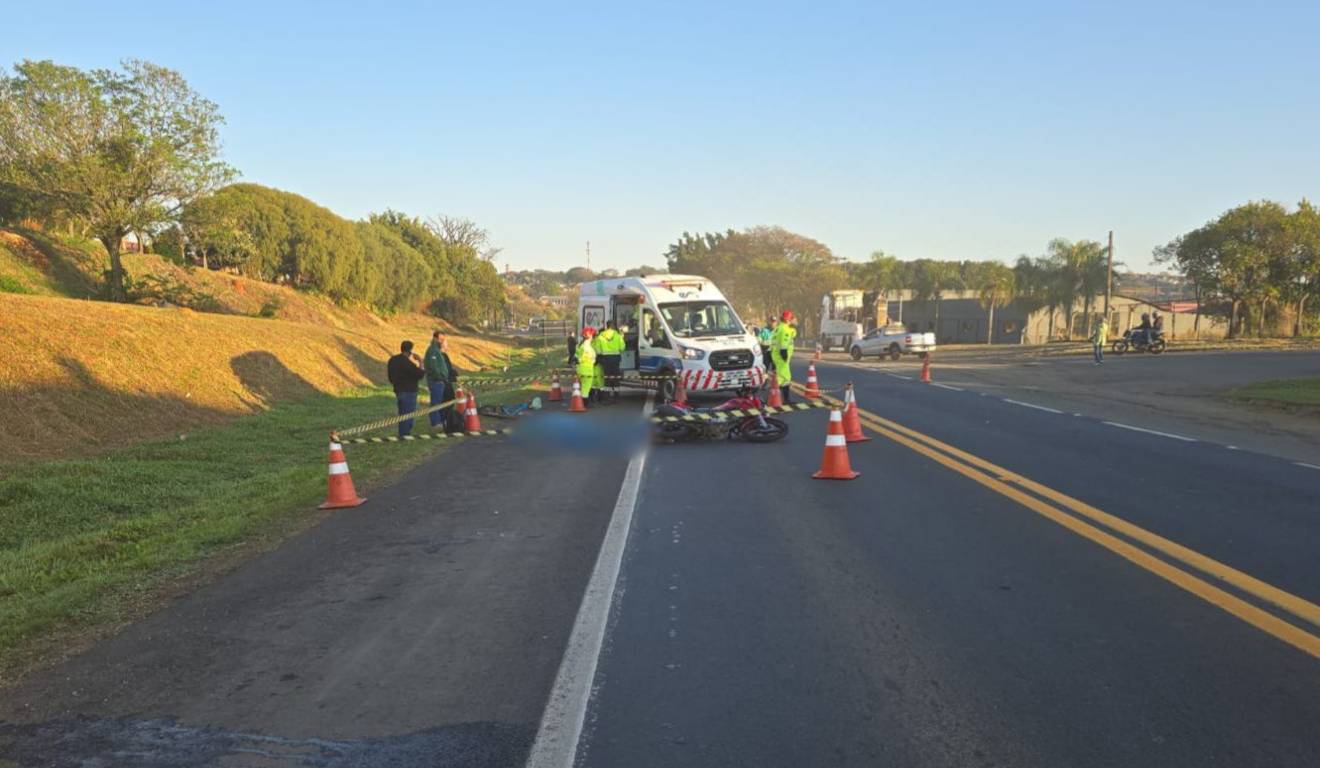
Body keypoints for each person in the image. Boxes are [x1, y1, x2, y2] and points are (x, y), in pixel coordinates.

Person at [387, 340, 426, 436]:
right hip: (409, 391)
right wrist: (420, 361)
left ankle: (402, 433)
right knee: (408, 414)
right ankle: (405, 434)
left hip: (398, 390)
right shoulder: (407, 363)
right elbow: (420, 374)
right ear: (409, 351)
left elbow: (390, 377)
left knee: (402, 414)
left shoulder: (392, 360)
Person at [423, 331, 451, 430]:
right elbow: (434, 367)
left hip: (440, 381)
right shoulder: (432, 351)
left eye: (443, 339)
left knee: (439, 401)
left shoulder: (438, 350)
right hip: (436, 381)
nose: (442, 341)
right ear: (435, 339)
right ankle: (435, 422)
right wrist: (441, 377)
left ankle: (439, 420)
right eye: (440, 339)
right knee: (435, 402)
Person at [770, 310, 797, 404]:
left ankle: (781, 398)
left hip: (776, 355)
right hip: (781, 357)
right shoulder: (785, 329)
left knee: (781, 377)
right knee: (784, 378)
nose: (794, 320)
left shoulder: (778, 328)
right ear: (789, 319)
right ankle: (782, 399)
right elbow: (784, 343)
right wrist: (784, 355)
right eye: (792, 318)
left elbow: (792, 334)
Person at [595, 320, 625, 401]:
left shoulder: (601, 336)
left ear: (607, 326)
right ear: (613, 326)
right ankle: (616, 396)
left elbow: (597, 350)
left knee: (607, 378)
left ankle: (606, 397)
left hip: (606, 359)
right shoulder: (617, 335)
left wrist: (603, 353)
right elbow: (622, 347)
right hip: (615, 359)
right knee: (616, 378)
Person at [576, 326, 598, 404]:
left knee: (584, 386)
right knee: (586, 386)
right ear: (589, 336)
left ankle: (584, 401)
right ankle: (584, 402)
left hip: (581, 368)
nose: (593, 337)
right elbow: (591, 358)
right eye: (592, 335)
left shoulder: (581, 345)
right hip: (587, 369)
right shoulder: (587, 346)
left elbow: (577, 357)